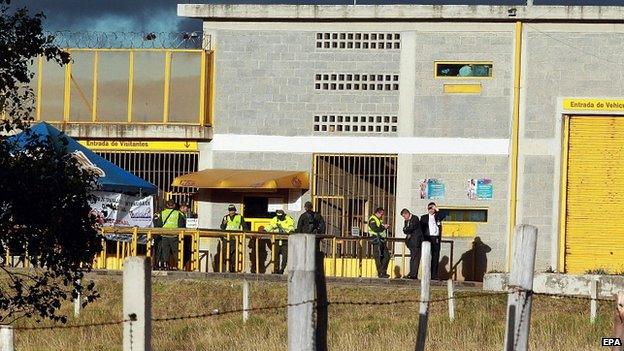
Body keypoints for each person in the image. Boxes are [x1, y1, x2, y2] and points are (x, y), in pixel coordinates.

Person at [420, 202, 447, 280]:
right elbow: (421, 229)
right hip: (427, 238)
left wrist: (436, 209)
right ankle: (426, 274)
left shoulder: (438, 216)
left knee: (435, 256)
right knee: (427, 256)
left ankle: (434, 275)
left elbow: (444, 215)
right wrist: (423, 240)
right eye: (429, 208)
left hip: (436, 238)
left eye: (432, 208)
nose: (431, 210)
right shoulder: (424, 217)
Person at [219, 204, 247, 272]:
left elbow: (245, 227)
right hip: (226, 238)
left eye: (233, 210)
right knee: (225, 253)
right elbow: (222, 228)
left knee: (234, 254)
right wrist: (224, 224)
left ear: (235, 210)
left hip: (235, 239)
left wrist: (246, 234)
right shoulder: (225, 217)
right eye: (230, 210)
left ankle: (233, 268)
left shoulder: (239, 217)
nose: (231, 212)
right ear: (228, 211)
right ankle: (227, 267)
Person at [158, 200, 185, 270]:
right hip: (174, 235)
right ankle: (178, 265)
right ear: (174, 205)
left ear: (167, 205)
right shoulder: (178, 213)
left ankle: (165, 266)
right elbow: (181, 225)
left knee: (165, 251)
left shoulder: (162, 213)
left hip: (164, 235)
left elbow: (159, 224)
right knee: (176, 251)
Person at [265, 209, 295, 274]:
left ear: (283, 215)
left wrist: (291, 231)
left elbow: (291, 226)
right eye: (278, 216)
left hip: (285, 241)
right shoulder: (275, 219)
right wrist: (265, 230)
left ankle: (282, 270)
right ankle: (276, 270)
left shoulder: (288, 219)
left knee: (285, 257)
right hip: (277, 240)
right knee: (275, 256)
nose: (279, 217)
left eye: (281, 216)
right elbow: (270, 226)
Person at [368, 207, 391, 278]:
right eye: (381, 214)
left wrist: (383, 226)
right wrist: (384, 227)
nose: (382, 216)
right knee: (378, 257)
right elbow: (375, 229)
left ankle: (383, 272)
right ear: (377, 212)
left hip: (381, 240)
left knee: (387, 256)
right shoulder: (372, 219)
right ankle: (380, 273)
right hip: (376, 240)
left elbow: (379, 228)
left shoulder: (378, 220)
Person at [401, 208, 423, 279]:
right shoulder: (406, 221)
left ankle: (413, 274)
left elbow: (411, 228)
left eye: (404, 216)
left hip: (416, 242)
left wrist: (406, 229)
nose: (404, 218)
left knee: (415, 258)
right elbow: (405, 230)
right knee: (413, 258)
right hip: (410, 242)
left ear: (407, 214)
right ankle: (412, 273)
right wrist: (406, 229)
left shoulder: (415, 218)